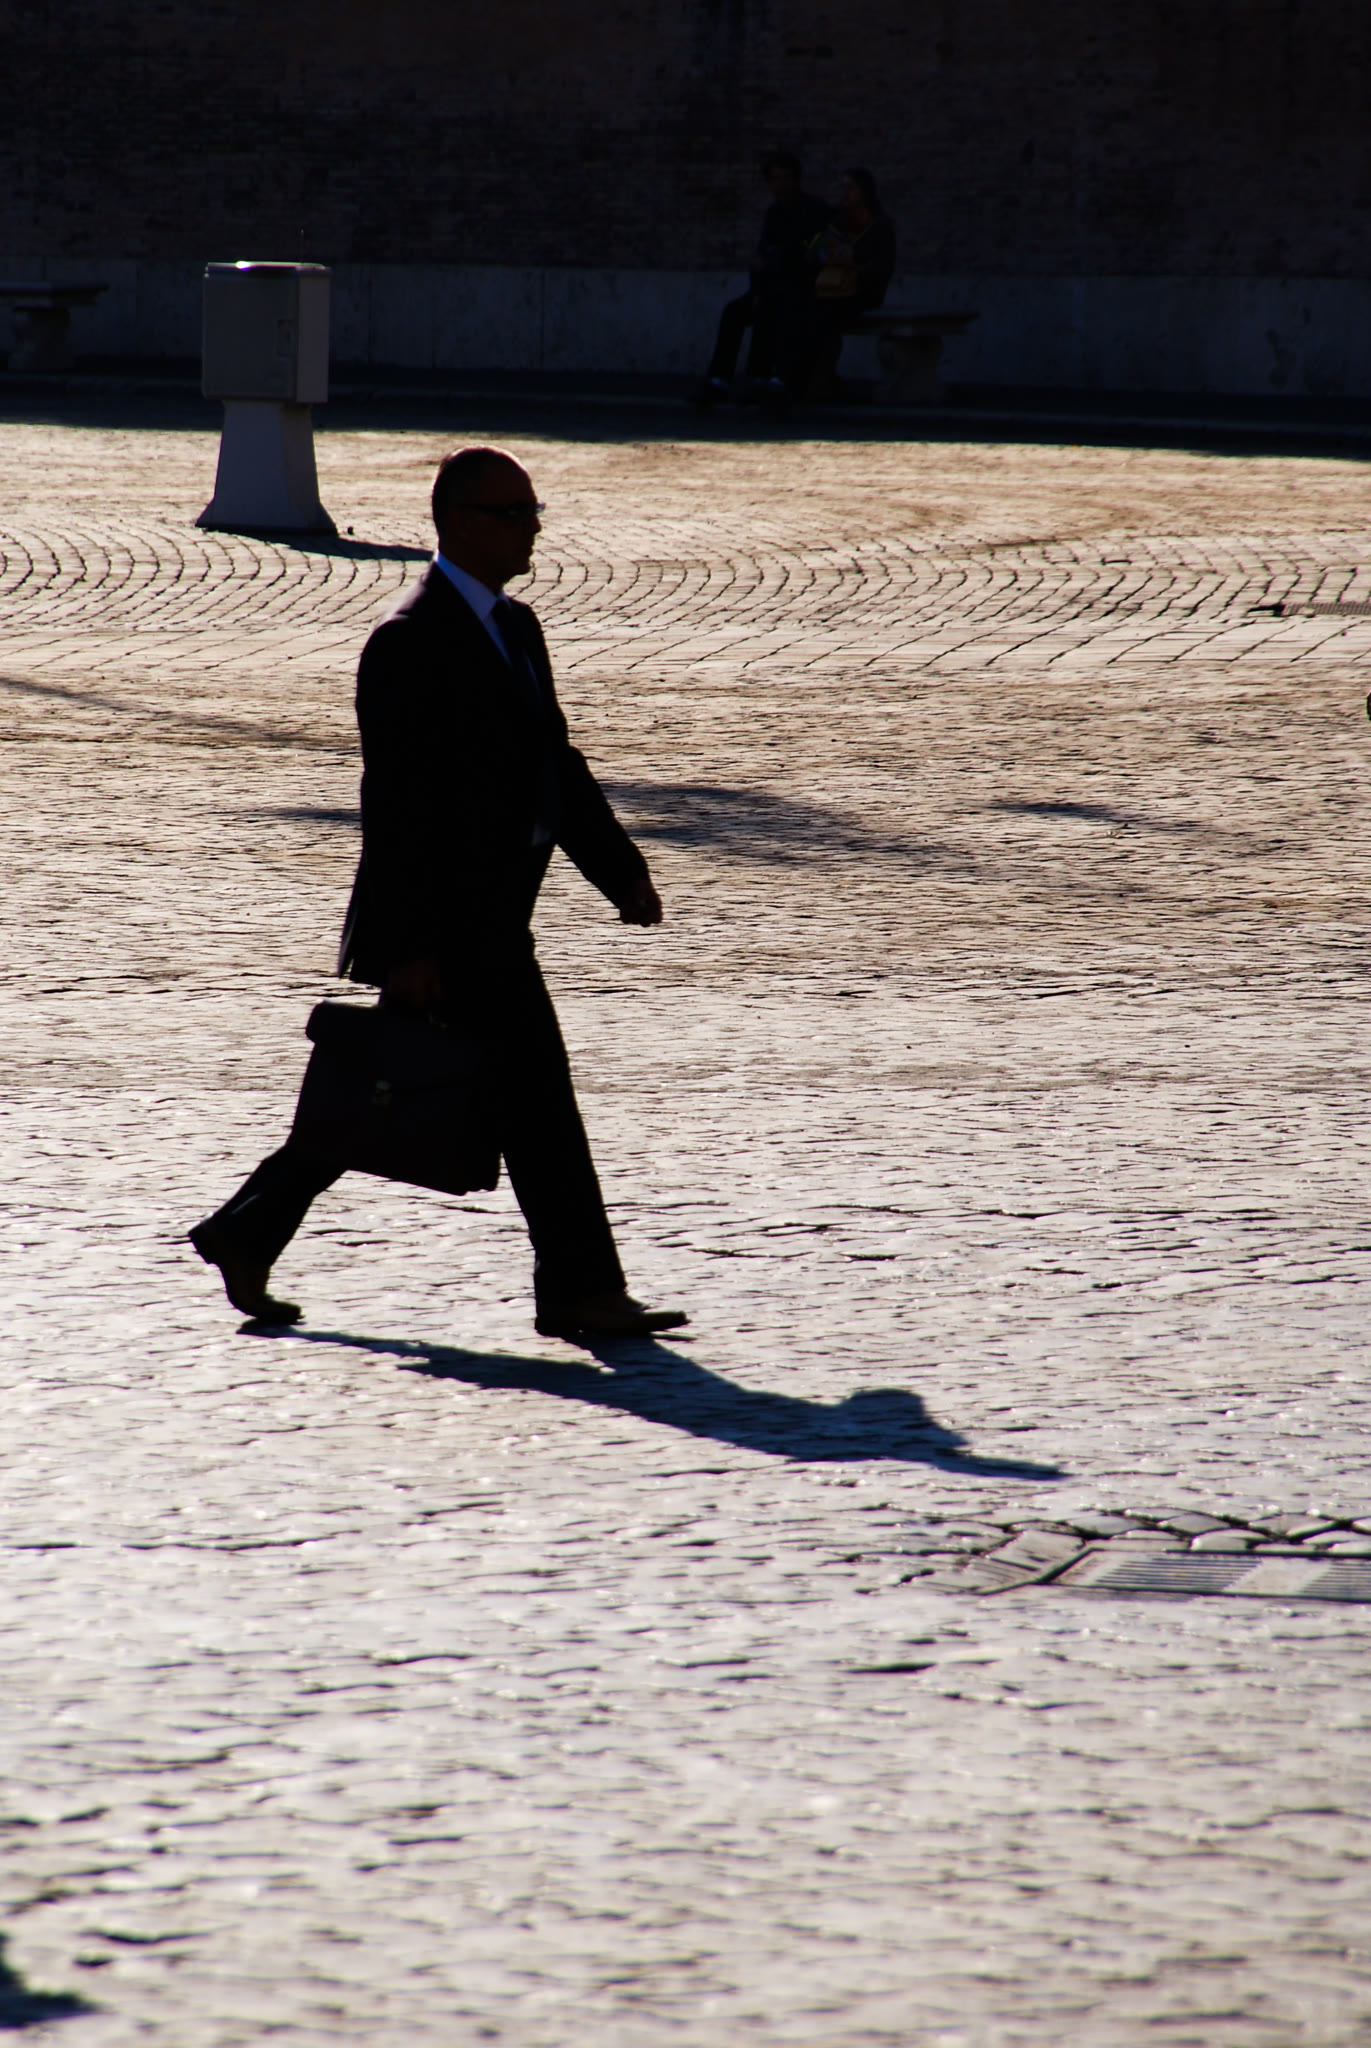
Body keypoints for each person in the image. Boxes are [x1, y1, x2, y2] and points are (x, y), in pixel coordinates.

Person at [189, 446, 689, 1343]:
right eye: (511, 513)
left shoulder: (516, 626)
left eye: (533, 511)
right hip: (451, 924)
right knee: (534, 1104)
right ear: (458, 522)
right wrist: (410, 947)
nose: (531, 528)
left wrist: (619, 869)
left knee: (381, 1090)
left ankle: (247, 1231)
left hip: (497, 910)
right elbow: (396, 804)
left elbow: (553, 763)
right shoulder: (409, 639)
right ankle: (579, 1291)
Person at [694, 151, 830, 403]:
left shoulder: (815, 211)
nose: (780, 186)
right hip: (770, 286)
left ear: (796, 180)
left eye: (785, 178)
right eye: (775, 179)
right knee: (734, 312)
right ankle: (719, 379)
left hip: (802, 289)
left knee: (781, 309)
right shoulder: (774, 214)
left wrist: (782, 260)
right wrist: (759, 286)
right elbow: (761, 257)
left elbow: (810, 256)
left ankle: (773, 379)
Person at [775, 165, 896, 403]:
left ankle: (807, 383)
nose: (845, 194)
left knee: (821, 316)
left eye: (851, 188)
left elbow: (881, 267)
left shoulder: (880, 225)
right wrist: (820, 252)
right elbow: (814, 251)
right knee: (798, 310)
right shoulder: (839, 221)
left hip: (861, 292)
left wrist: (853, 262)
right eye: (844, 188)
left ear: (864, 192)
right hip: (831, 289)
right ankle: (798, 380)